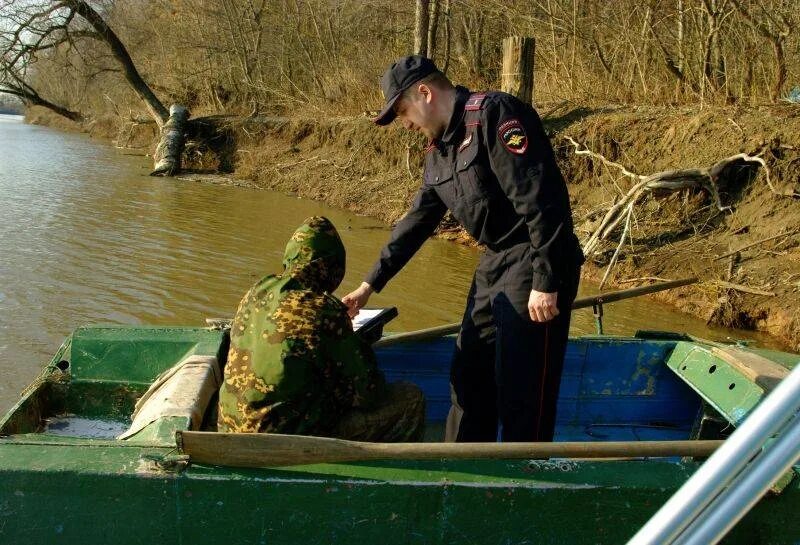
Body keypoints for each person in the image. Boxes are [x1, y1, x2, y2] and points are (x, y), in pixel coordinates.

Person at [342, 56, 584, 443]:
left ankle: (525, 476)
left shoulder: (494, 116)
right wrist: (368, 285)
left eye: (403, 111)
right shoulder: (438, 153)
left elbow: (542, 200)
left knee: (523, 385)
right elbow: (415, 224)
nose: (405, 123)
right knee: (469, 373)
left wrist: (547, 279)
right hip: (495, 262)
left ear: (424, 93)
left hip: (536, 256)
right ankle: (462, 466)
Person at [218, 215, 425, 442]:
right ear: (331, 267)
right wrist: (357, 344)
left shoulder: (256, 291)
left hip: (230, 429)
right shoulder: (323, 308)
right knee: (410, 398)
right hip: (285, 438)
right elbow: (369, 394)